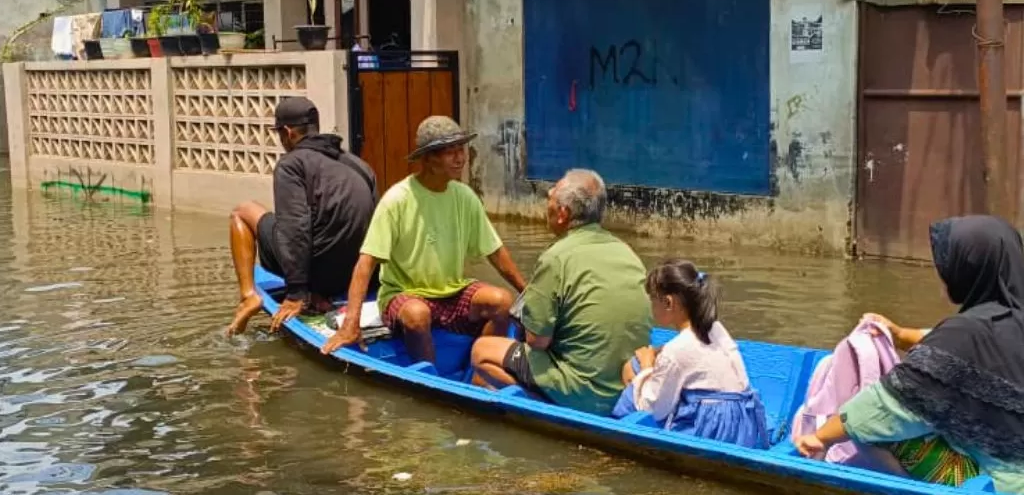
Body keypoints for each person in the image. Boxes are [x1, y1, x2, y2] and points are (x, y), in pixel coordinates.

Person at [795, 215, 1024, 492]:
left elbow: (887, 407)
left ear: (969, 271)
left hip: (1006, 481)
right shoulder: (1008, 317)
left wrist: (821, 437)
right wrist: (901, 334)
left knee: (876, 427)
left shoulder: (966, 333)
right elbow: (979, 351)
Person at [321, 115, 528, 362]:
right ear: (429, 159)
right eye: (451, 152)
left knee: (502, 302)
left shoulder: (465, 196)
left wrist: (527, 293)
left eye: (461, 150)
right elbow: (366, 264)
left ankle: (480, 369)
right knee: (418, 315)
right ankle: (429, 376)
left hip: (451, 292)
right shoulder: (397, 199)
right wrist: (350, 324)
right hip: (404, 294)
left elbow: (495, 252)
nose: (460, 158)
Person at [467, 169, 651, 415]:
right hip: (629, 382)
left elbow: (537, 341)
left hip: (586, 392)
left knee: (482, 351)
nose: (547, 205)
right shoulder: (627, 252)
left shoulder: (555, 258)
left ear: (563, 214)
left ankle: (543, 404)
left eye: (550, 199)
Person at [224, 97, 377, 336]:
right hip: (356, 276)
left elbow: (295, 228)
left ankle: (248, 296)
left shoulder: (291, 164)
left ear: (287, 132)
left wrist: (296, 294)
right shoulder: (358, 164)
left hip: (318, 272)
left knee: (242, 212)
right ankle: (318, 292)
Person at [613, 260, 769, 449]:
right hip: (742, 423)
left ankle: (617, 439)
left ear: (668, 302)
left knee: (633, 370)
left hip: (713, 429)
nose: (651, 307)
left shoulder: (677, 349)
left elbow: (654, 407)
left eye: (653, 300)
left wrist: (647, 367)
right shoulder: (715, 328)